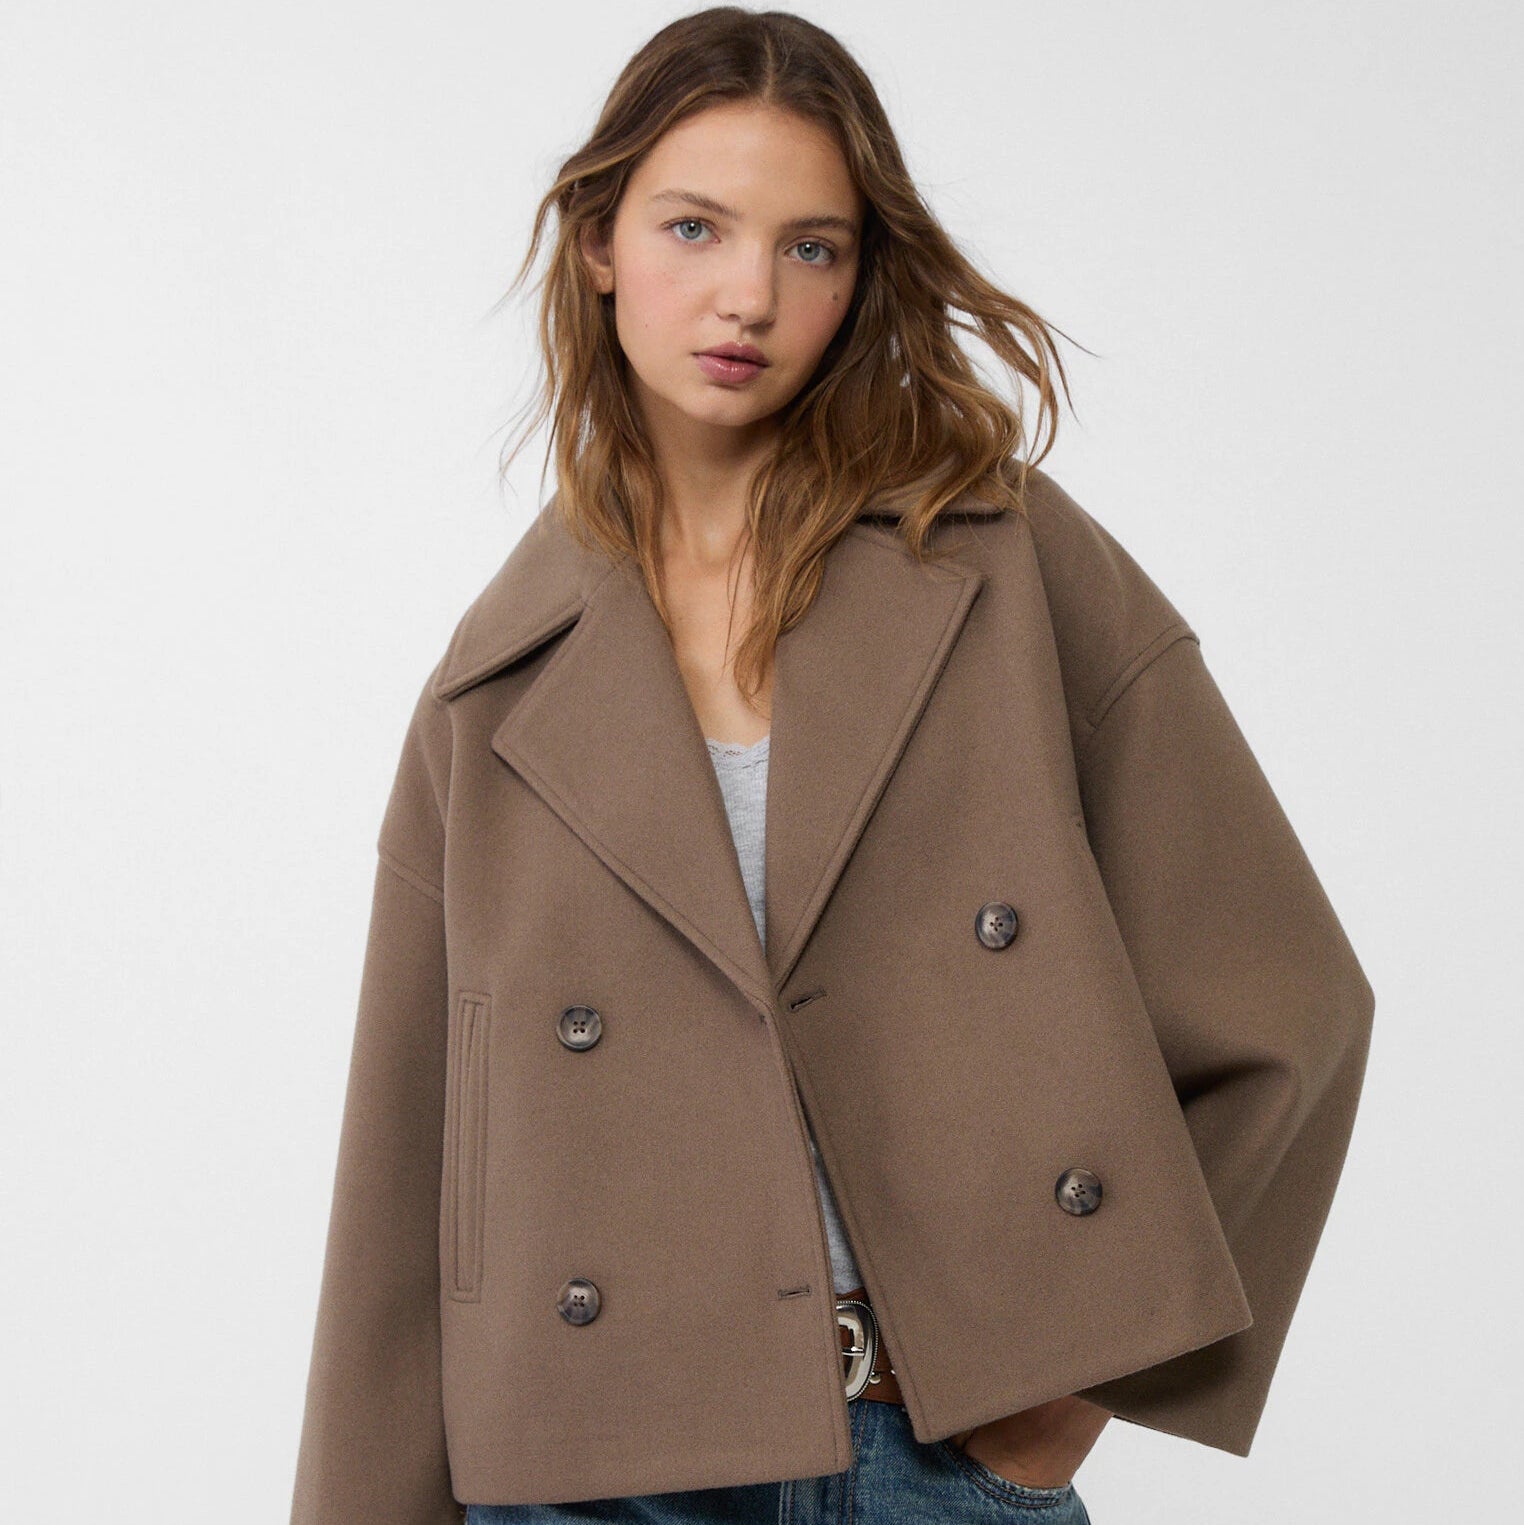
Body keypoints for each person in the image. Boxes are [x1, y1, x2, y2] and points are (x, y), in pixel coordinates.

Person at [289, 9, 1375, 1524]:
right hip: (584, 1485)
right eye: (694, 227)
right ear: (598, 243)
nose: (749, 294)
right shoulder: (497, 683)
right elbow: (408, 1192)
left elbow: (1291, 1004)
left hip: (921, 1459)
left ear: (863, 276)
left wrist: (1058, 1404)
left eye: (813, 247)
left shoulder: (999, 565)